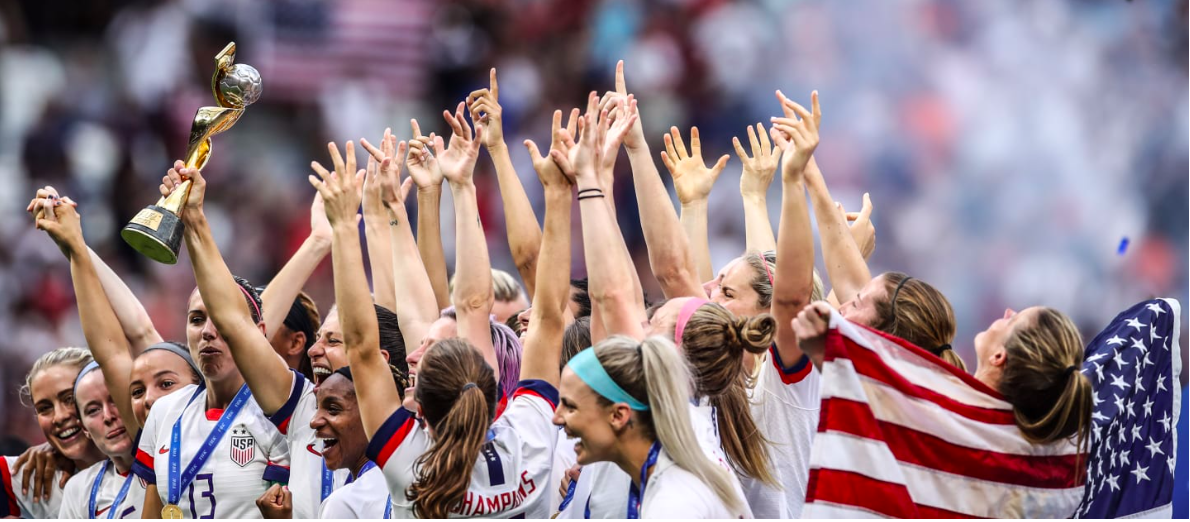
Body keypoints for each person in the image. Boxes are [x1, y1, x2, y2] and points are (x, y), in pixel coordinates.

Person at [317, 103, 568, 518]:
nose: (412, 354)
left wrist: (346, 228)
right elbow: (543, 316)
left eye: (425, 352)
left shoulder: (411, 463)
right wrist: (464, 186)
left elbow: (363, 345)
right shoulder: (532, 439)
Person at [134, 162, 291, 519]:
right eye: (196, 319)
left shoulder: (280, 417)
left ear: (255, 334)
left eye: (221, 321)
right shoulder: (164, 412)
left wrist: (195, 220)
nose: (207, 331)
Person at [3, 347, 103, 518]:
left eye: (69, 399)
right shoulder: (24, 477)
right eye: (44, 408)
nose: (59, 417)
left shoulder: (151, 456)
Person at [58, 363, 145, 519]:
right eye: (93, 410)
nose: (108, 416)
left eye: (116, 400)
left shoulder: (171, 464)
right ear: (84, 428)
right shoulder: (78, 489)